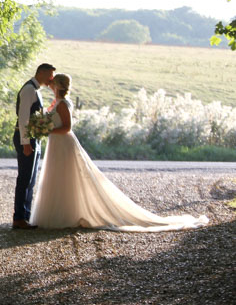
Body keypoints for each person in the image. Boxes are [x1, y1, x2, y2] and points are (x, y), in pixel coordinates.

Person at [30, 73, 209, 231]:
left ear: (57, 86)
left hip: (63, 143)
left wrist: (47, 131)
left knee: (66, 177)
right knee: (59, 177)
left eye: (53, 84)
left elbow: (67, 128)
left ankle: (66, 214)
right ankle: (62, 212)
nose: (50, 86)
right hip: (56, 144)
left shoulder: (62, 104)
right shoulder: (57, 102)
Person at [12, 63, 55, 229]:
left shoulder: (36, 90)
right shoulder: (29, 90)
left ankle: (26, 215)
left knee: (31, 179)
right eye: (49, 76)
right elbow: (23, 118)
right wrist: (26, 143)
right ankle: (19, 217)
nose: (51, 79)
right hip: (26, 138)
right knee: (24, 178)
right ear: (41, 73)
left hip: (33, 138)